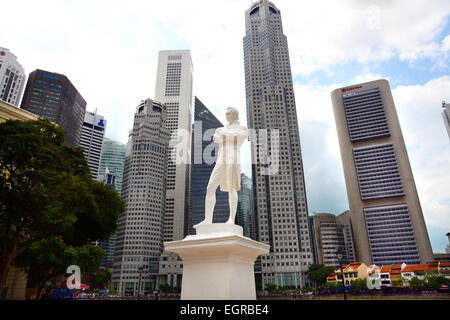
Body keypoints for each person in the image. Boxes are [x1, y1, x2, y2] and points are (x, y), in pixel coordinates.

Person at [195, 107, 248, 226]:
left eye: (229, 114)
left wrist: (223, 133)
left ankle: (231, 219)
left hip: (232, 157)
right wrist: (225, 134)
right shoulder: (222, 129)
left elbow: (238, 137)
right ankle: (207, 220)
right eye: (226, 114)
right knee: (210, 187)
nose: (227, 116)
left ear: (235, 115)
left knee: (232, 188)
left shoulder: (242, 128)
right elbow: (216, 138)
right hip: (221, 159)